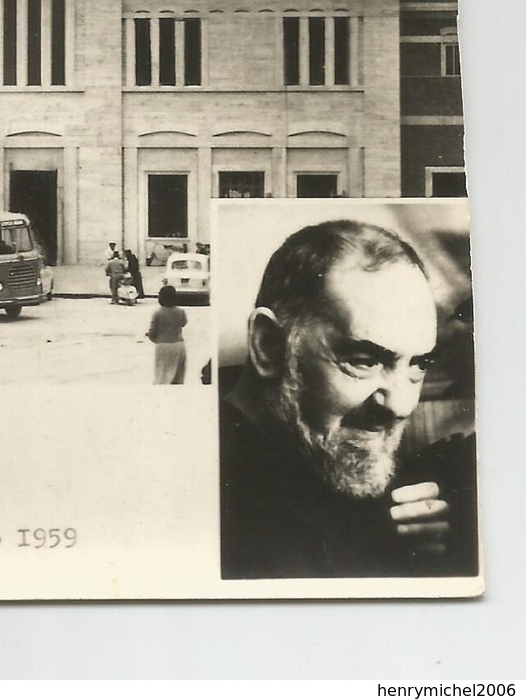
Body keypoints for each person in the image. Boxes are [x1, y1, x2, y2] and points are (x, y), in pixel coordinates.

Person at [219, 219, 477, 579]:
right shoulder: (213, 505)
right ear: (268, 346)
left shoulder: (323, 455)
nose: (402, 405)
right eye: (364, 361)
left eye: (419, 364)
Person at [147, 285, 187, 382]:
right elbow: (183, 323)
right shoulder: (181, 311)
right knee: (178, 376)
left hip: (163, 345)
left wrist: (155, 339)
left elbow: (152, 332)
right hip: (179, 344)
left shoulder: (158, 313)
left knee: (162, 375)